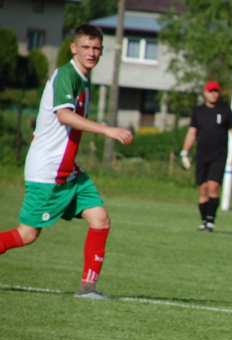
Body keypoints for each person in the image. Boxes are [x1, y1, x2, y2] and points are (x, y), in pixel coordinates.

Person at [0, 24, 134, 299]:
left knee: (100, 218)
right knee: (27, 235)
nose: (92, 53)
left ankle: (88, 288)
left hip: (67, 171)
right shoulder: (67, 75)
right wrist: (108, 130)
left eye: (96, 48)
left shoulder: (83, 79)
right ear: (74, 48)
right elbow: (64, 116)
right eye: (86, 47)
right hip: (48, 172)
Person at [179, 80, 232, 232]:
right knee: (203, 190)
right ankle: (204, 220)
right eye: (211, 91)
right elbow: (192, 132)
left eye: (216, 91)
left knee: (213, 187)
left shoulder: (225, 110)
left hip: (218, 156)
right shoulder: (198, 111)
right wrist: (184, 152)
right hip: (201, 156)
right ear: (205, 93)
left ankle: (211, 220)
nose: (214, 94)